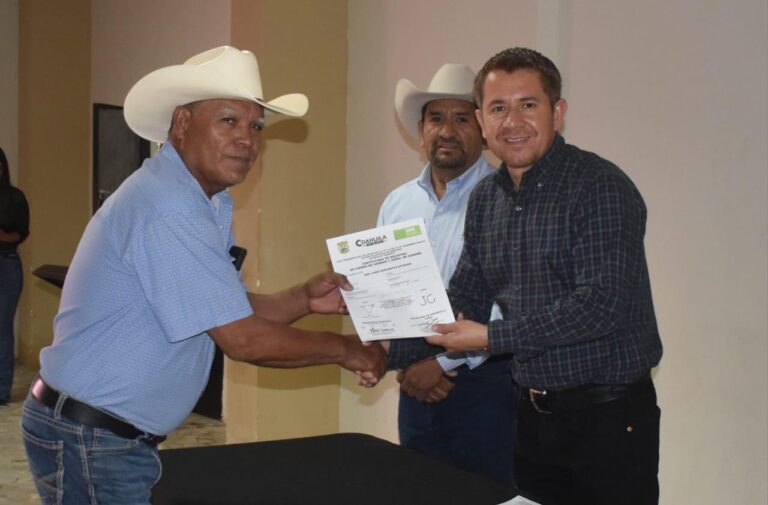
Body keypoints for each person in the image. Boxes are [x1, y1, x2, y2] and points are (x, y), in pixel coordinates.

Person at [20, 46, 387, 504]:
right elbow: (242, 339)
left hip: (101, 436)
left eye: (256, 126)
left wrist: (304, 299)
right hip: (92, 439)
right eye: (229, 121)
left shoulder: (200, 200)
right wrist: (347, 349)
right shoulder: (168, 205)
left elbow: (222, 308)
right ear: (182, 123)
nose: (247, 140)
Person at [422, 47, 663, 505]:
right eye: (498, 108)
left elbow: (600, 305)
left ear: (557, 112)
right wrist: (383, 321)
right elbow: (465, 293)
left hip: (609, 420)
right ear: (482, 120)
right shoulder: (486, 199)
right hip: (531, 418)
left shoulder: (600, 186)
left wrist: (491, 337)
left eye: (527, 105)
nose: (512, 121)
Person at [380, 64, 517, 485]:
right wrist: (390, 356)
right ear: (421, 131)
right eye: (436, 118)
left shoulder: (508, 199)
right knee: (418, 490)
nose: (447, 131)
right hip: (413, 383)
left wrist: (441, 362)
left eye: (462, 119)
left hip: (486, 385)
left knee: (485, 492)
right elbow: (387, 292)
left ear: (482, 130)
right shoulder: (398, 204)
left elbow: (510, 301)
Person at [0, 147, 29, 405]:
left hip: (6, 263)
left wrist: (3, 235)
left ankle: (2, 390)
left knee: (2, 327)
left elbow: (21, 233)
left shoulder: (15, 197)